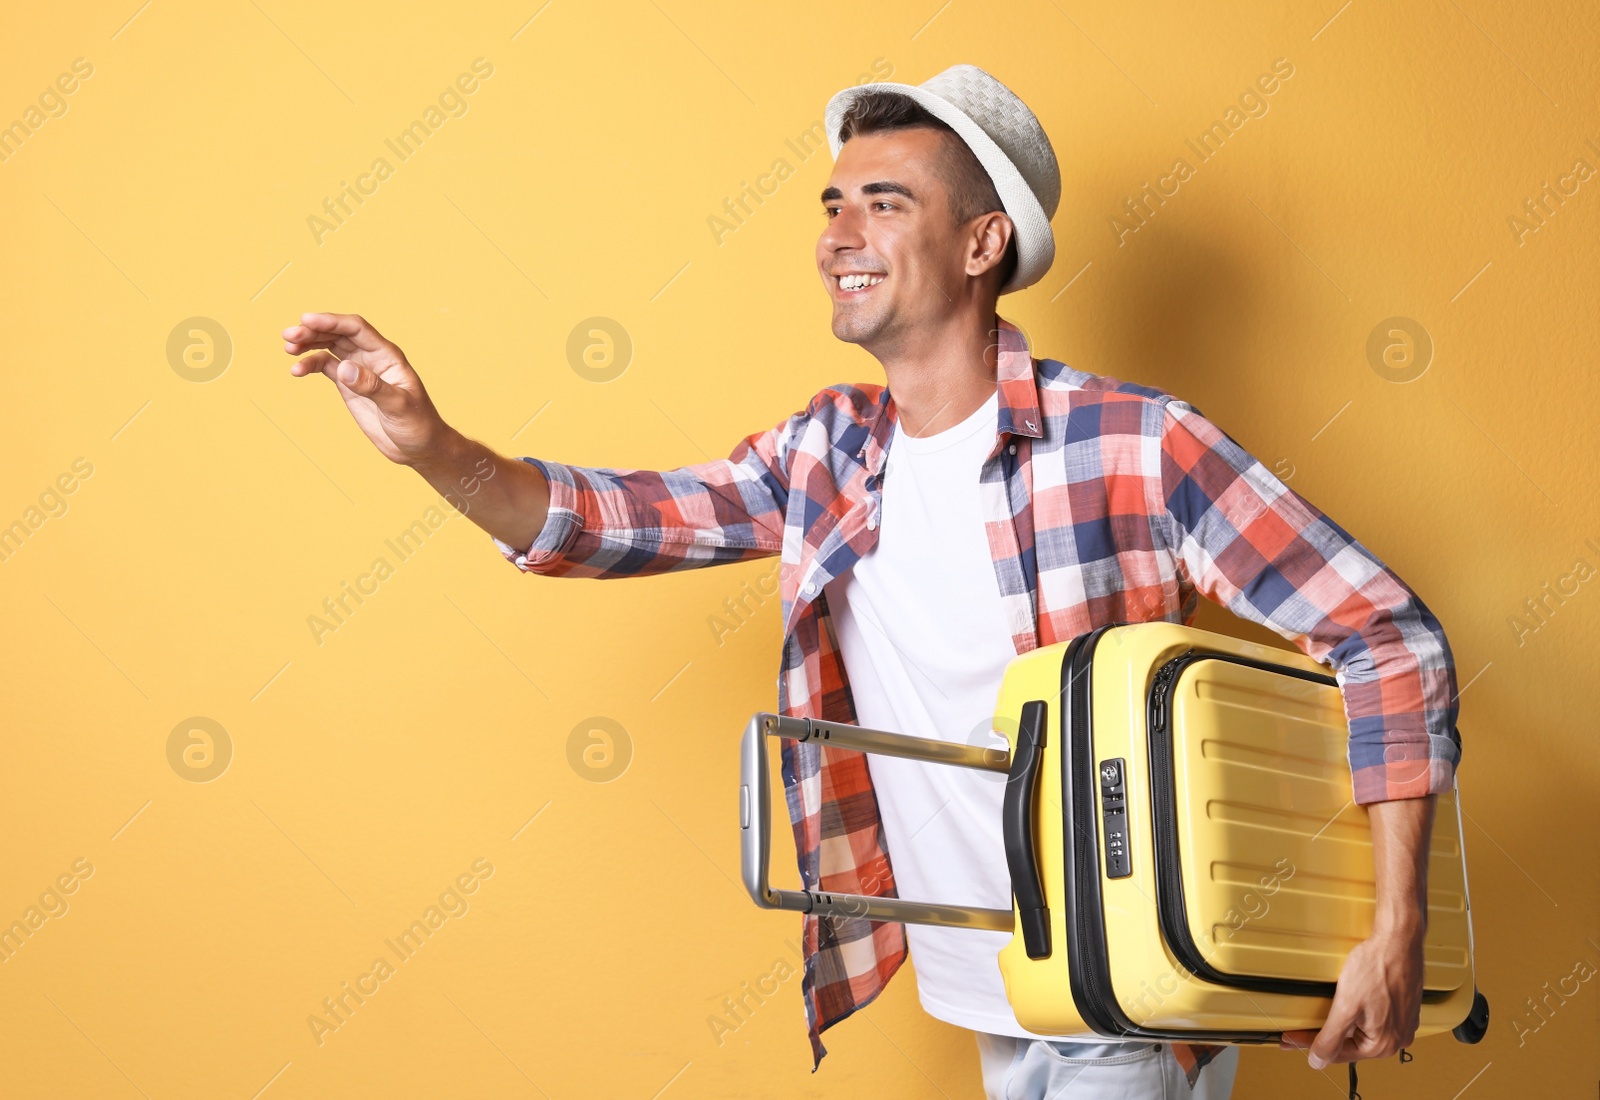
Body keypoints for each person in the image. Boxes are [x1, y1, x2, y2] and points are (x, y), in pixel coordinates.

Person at [282, 64, 1459, 1099]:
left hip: (1130, 990)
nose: (837, 231)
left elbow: (1384, 635)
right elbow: (612, 520)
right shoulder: (825, 454)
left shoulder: (1136, 442)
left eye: (883, 202)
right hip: (988, 983)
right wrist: (432, 443)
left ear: (981, 242)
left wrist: (1392, 923)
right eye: (832, 203)